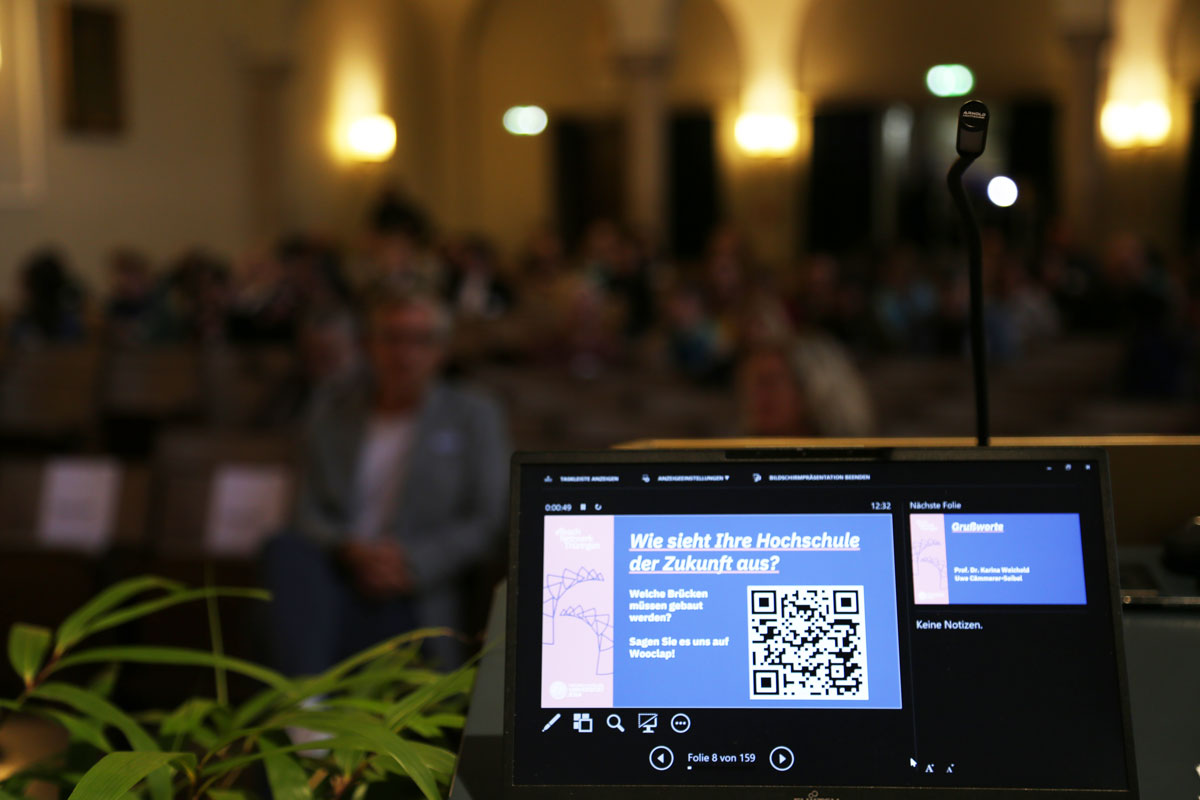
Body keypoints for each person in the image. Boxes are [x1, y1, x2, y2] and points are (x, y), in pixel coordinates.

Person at [262, 282, 510, 672]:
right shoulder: (333, 410)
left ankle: (306, 698)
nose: (405, 353)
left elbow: (487, 520)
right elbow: (306, 511)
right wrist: (350, 549)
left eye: (420, 340)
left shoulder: (473, 415)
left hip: (415, 590)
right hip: (339, 573)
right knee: (284, 550)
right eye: (393, 338)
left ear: (442, 350)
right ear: (369, 345)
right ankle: (306, 699)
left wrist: (410, 560)